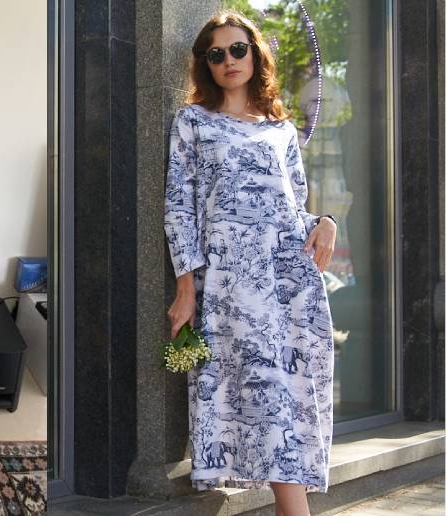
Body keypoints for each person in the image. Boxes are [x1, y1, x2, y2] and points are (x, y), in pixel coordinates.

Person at [164, 10, 336, 516]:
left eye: (237, 49)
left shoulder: (281, 129)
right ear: (206, 65)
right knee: (265, 404)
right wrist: (185, 288)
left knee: (294, 398)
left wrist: (326, 222)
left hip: (289, 282)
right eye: (216, 54)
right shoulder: (191, 122)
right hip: (230, 285)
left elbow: (294, 206)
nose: (228, 60)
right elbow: (179, 206)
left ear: (254, 55)